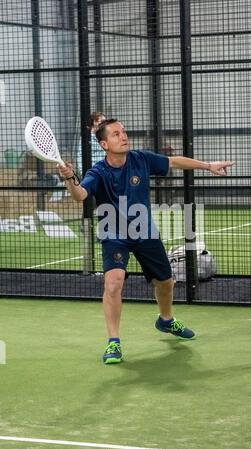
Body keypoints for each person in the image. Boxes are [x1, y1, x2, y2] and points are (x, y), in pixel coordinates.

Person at [58, 119, 234, 365]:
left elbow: (174, 161)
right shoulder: (97, 172)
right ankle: (113, 342)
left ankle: (166, 320)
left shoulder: (140, 159)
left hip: (145, 232)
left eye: (124, 132)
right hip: (114, 235)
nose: (124, 136)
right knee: (113, 282)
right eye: (117, 134)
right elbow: (80, 196)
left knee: (166, 282)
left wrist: (208, 165)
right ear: (104, 144)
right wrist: (70, 178)